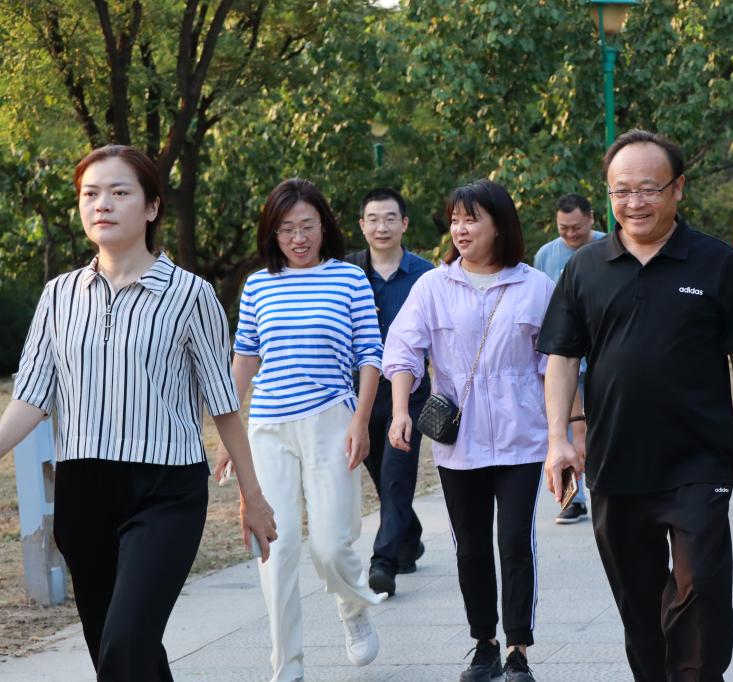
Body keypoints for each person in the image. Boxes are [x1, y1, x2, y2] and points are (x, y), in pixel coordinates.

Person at [0, 145, 277, 682]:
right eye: (90, 194)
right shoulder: (59, 296)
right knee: (122, 650)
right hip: (83, 493)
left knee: (125, 644)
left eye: (119, 192)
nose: (102, 204)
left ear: (151, 207)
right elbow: (30, 399)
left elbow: (223, 404)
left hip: (166, 493)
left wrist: (253, 495)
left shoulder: (190, 295)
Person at [538, 129, 733, 681]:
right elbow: (563, 359)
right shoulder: (585, 267)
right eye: (621, 191)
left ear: (678, 188)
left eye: (648, 188)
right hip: (616, 460)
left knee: (701, 585)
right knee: (637, 600)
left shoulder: (713, 261)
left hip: (699, 459)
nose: (634, 202)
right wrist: (558, 441)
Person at [384, 179, 552, 682]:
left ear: (499, 226)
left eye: (472, 219)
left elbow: (556, 364)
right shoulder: (433, 287)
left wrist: (570, 431)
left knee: (515, 542)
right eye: (455, 220)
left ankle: (518, 649)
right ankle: (485, 644)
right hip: (459, 443)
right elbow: (403, 350)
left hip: (523, 438)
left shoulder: (536, 287)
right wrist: (400, 410)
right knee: (471, 546)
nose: (460, 229)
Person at [221, 179, 387, 680]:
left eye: (307, 226)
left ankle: (352, 608)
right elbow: (246, 358)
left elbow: (370, 354)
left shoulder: (349, 279)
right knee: (276, 548)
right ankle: (286, 666)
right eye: (286, 229)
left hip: (331, 420)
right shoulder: (258, 285)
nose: (298, 238)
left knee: (331, 546)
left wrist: (360, 420)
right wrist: (229, 434)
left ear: (324, 227)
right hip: (269, 426)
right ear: (272, 233)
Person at [344, 188, 434, 597]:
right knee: (382, 476)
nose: (382, 227)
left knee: (396, 475)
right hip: (360, 394)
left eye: (390, 218)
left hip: (410, 394)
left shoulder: (426, 275)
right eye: (374, 219)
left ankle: (383, 562)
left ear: (404, 224)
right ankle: (408, 538)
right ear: (362, 225)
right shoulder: (344, 273)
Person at [532, 192, 605, 524]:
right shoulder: (546, 255)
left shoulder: (608, 247)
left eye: (576, 227)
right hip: (563, 358)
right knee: (564, 428)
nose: (571, 234)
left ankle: (603, 487)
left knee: (597, 427)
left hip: (602, 355)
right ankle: (572, 498)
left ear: (591, 218)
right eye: (564, 229)